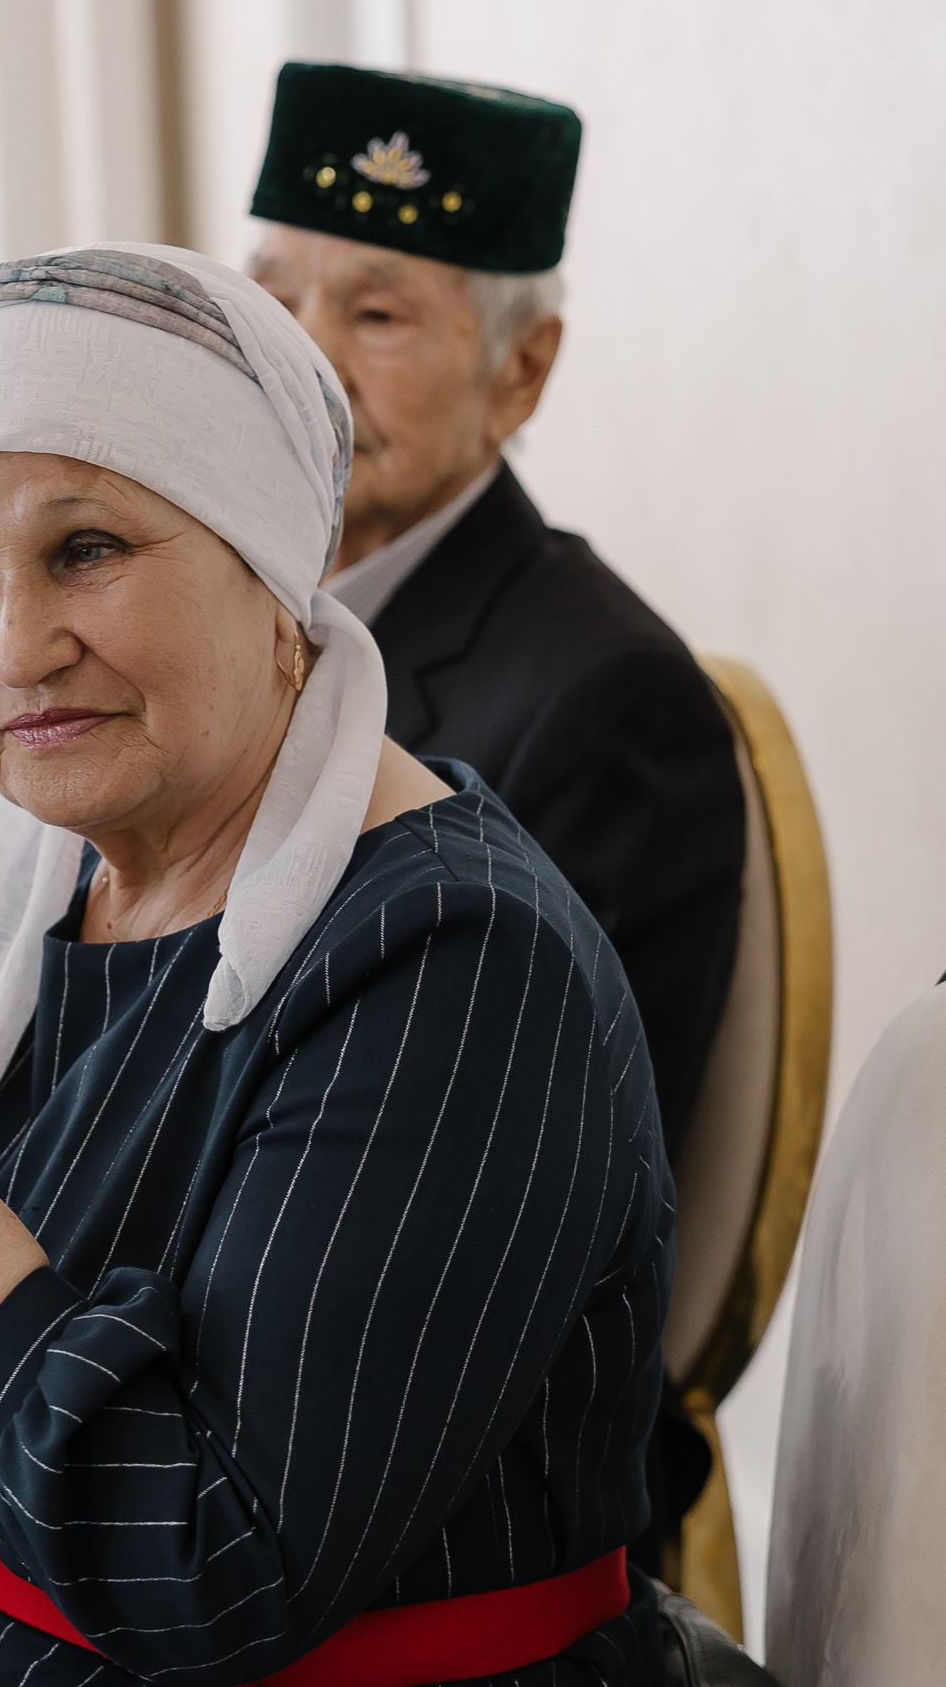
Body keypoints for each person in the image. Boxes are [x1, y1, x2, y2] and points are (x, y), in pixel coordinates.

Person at [0, 246, 677, 1684]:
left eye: (89, 550)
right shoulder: (39, 889)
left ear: (269, 565)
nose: (17, 645)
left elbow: (200, 1563)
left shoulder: (458, 963)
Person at [245, 64, 744, 1162]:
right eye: (272, 301)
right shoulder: (221, 611)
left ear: (520, 369)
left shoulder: (613, 706)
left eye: (375, 314)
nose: (303, 363)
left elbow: (527, 1162)